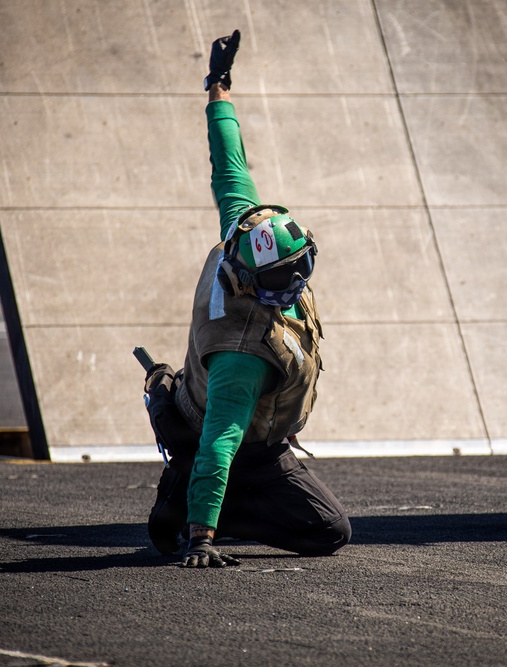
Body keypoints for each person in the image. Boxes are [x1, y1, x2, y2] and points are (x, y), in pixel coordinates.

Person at [144, 30, 351, 568]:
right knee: (327, 531)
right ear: (252, 281)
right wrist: (202, 538)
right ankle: (195, 498)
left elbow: (228, 162)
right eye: (284, 279)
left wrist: (219, 86)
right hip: (239, 440)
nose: (296, 286)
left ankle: (207, 492)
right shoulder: (242, 352)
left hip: (242, 421)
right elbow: (220, 441)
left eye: (300, 269)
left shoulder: (244, 228)